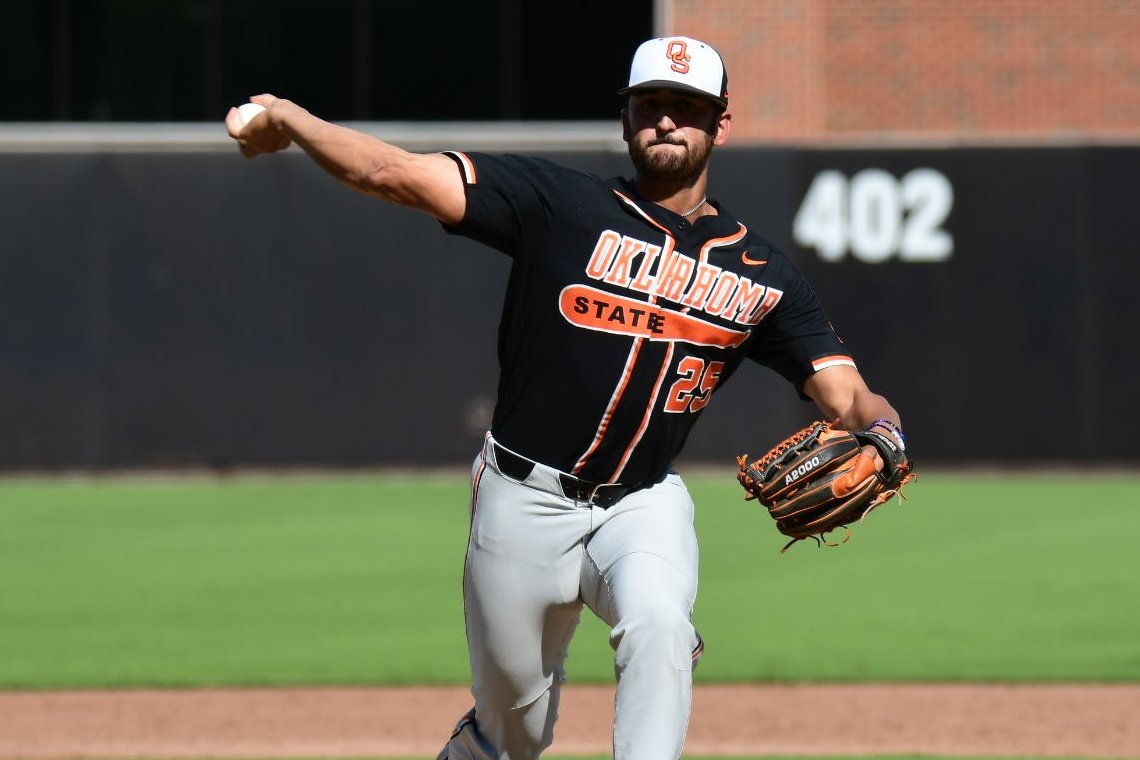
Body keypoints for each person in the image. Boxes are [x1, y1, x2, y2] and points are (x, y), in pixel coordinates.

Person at [226, 35, 906, 760]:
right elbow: (394, 173)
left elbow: (852, 396)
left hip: (639, 502)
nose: (668, 122)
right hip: (521, 500)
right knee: (513, 732)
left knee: (660, 626)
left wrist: (886, 436)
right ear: (625, 119)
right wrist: (294, 119)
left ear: (721, 125)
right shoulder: (559, 206)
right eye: (651, 106)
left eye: (688, 108)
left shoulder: (762, 273)